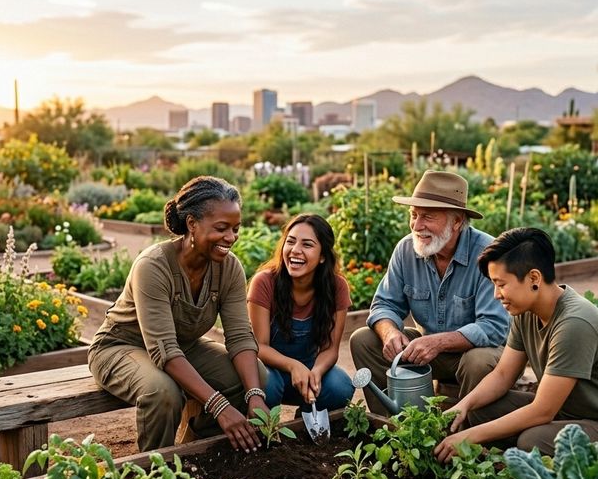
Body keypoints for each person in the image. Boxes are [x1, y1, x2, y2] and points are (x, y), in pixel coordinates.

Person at [88, 176, 268, 453]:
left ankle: (199, 449)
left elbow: (241, 336)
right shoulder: (153, 266)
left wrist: (255, 396)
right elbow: (165, 351)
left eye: (235, 228)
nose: (231, 237)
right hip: (121, 347)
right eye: (221, 228)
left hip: (182, 346)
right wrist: (220, 406)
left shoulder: (229, 268)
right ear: (192, 224)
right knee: (162, 393)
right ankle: (152, 472)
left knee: (255, 374)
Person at [350, 170, 510, 415]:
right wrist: (389, 332)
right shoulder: (406, 249)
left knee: (478, 361)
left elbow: (494, 327)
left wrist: (439, 342)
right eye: (413, 215)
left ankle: (469, 434)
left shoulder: (488, 255)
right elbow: (384, 304)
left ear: (457, 221)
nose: (416, 225)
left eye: (427, 217)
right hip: (426, 353)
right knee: (363, 339)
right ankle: (393, 425)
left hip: (474, 355)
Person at [435, 227, 598, 460]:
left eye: (501, 284)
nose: (496, 294)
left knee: (531, 440)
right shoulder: (526, 311)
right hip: (565, 412)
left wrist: (470, 436)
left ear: (534, 278)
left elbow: (543, 410)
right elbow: (502, 375)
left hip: (592, 419)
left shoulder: (574, 322)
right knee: (479, 410)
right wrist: (464, 405)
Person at [247, 214, 355, 412]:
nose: (295, 251)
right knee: (266, 383)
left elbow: (330, 349)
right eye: (290, 242)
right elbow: (259, 347)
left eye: (307, 245)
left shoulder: (337, 287)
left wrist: (316, 372)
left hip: (309, 373)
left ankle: (305, 417)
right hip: (271, 373)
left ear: (323, 256)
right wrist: (292, 365)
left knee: (341, 387)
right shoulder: (264, 282)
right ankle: (266, 428)